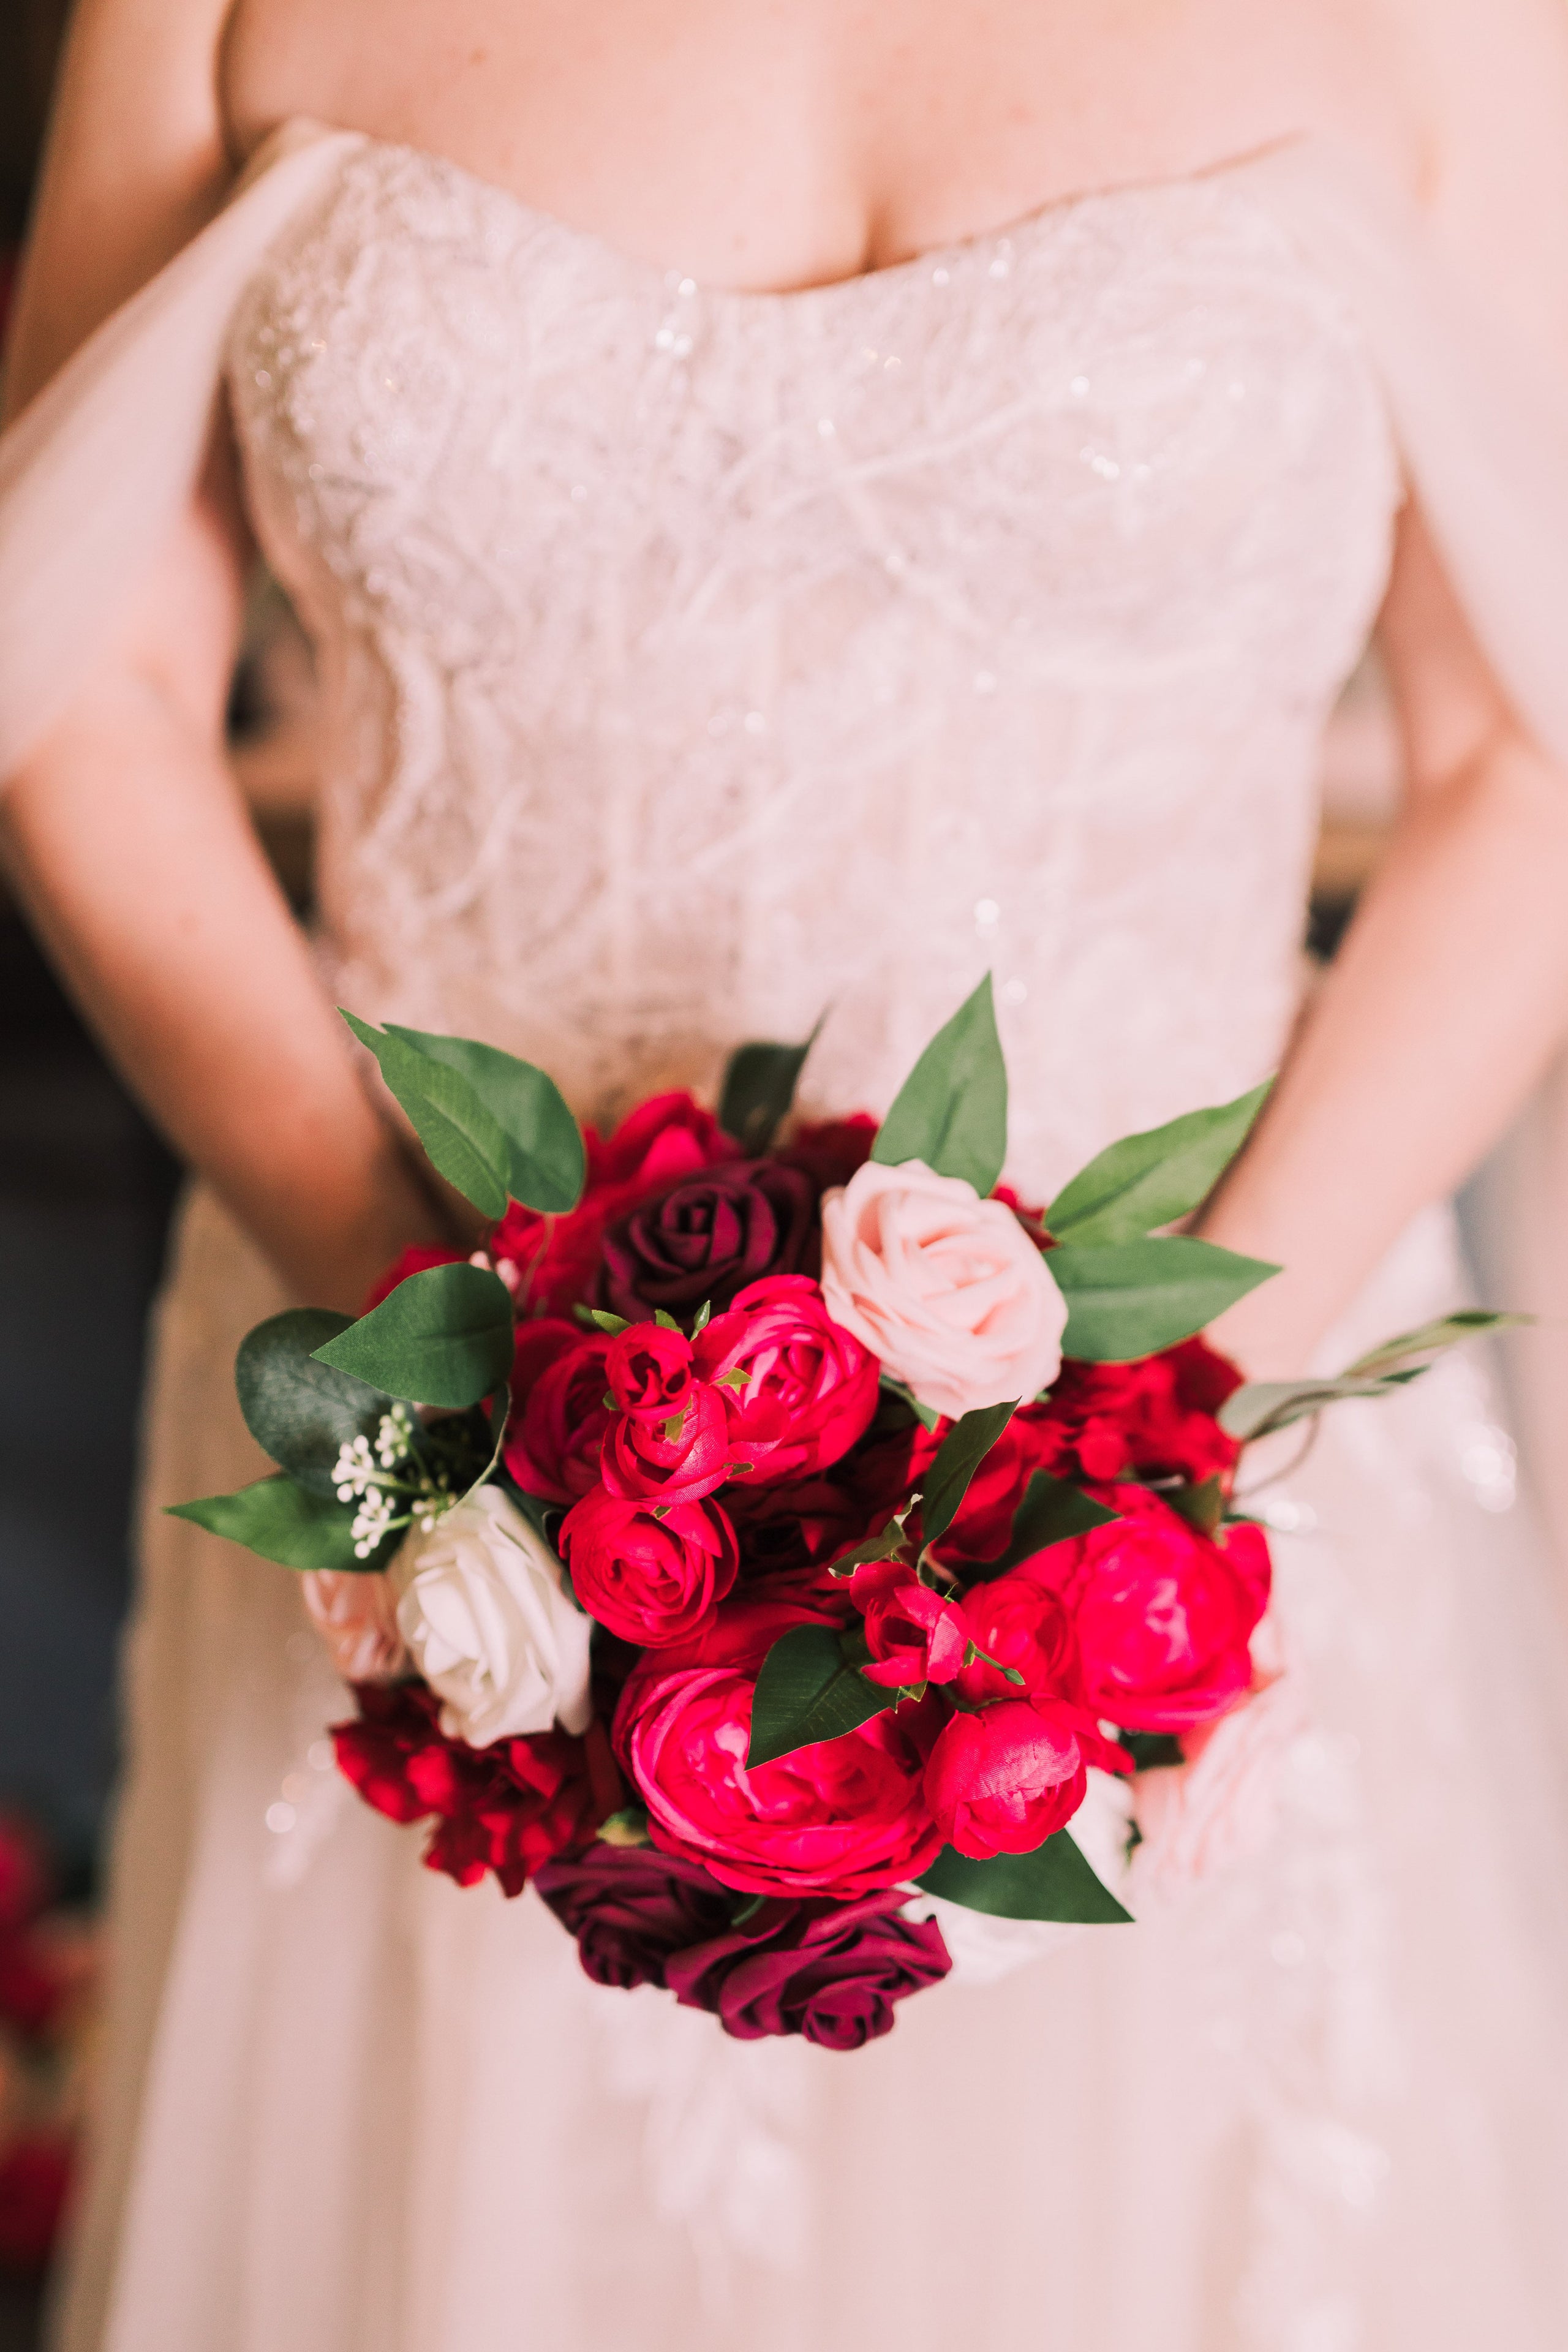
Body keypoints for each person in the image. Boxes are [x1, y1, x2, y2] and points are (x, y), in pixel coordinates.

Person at [4, 1, 1568, 2345]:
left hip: (1189, 1517)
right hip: (444, 1515)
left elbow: (1524, 757)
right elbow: (75, 673)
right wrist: (469, 1425)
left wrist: (1146, 1438)